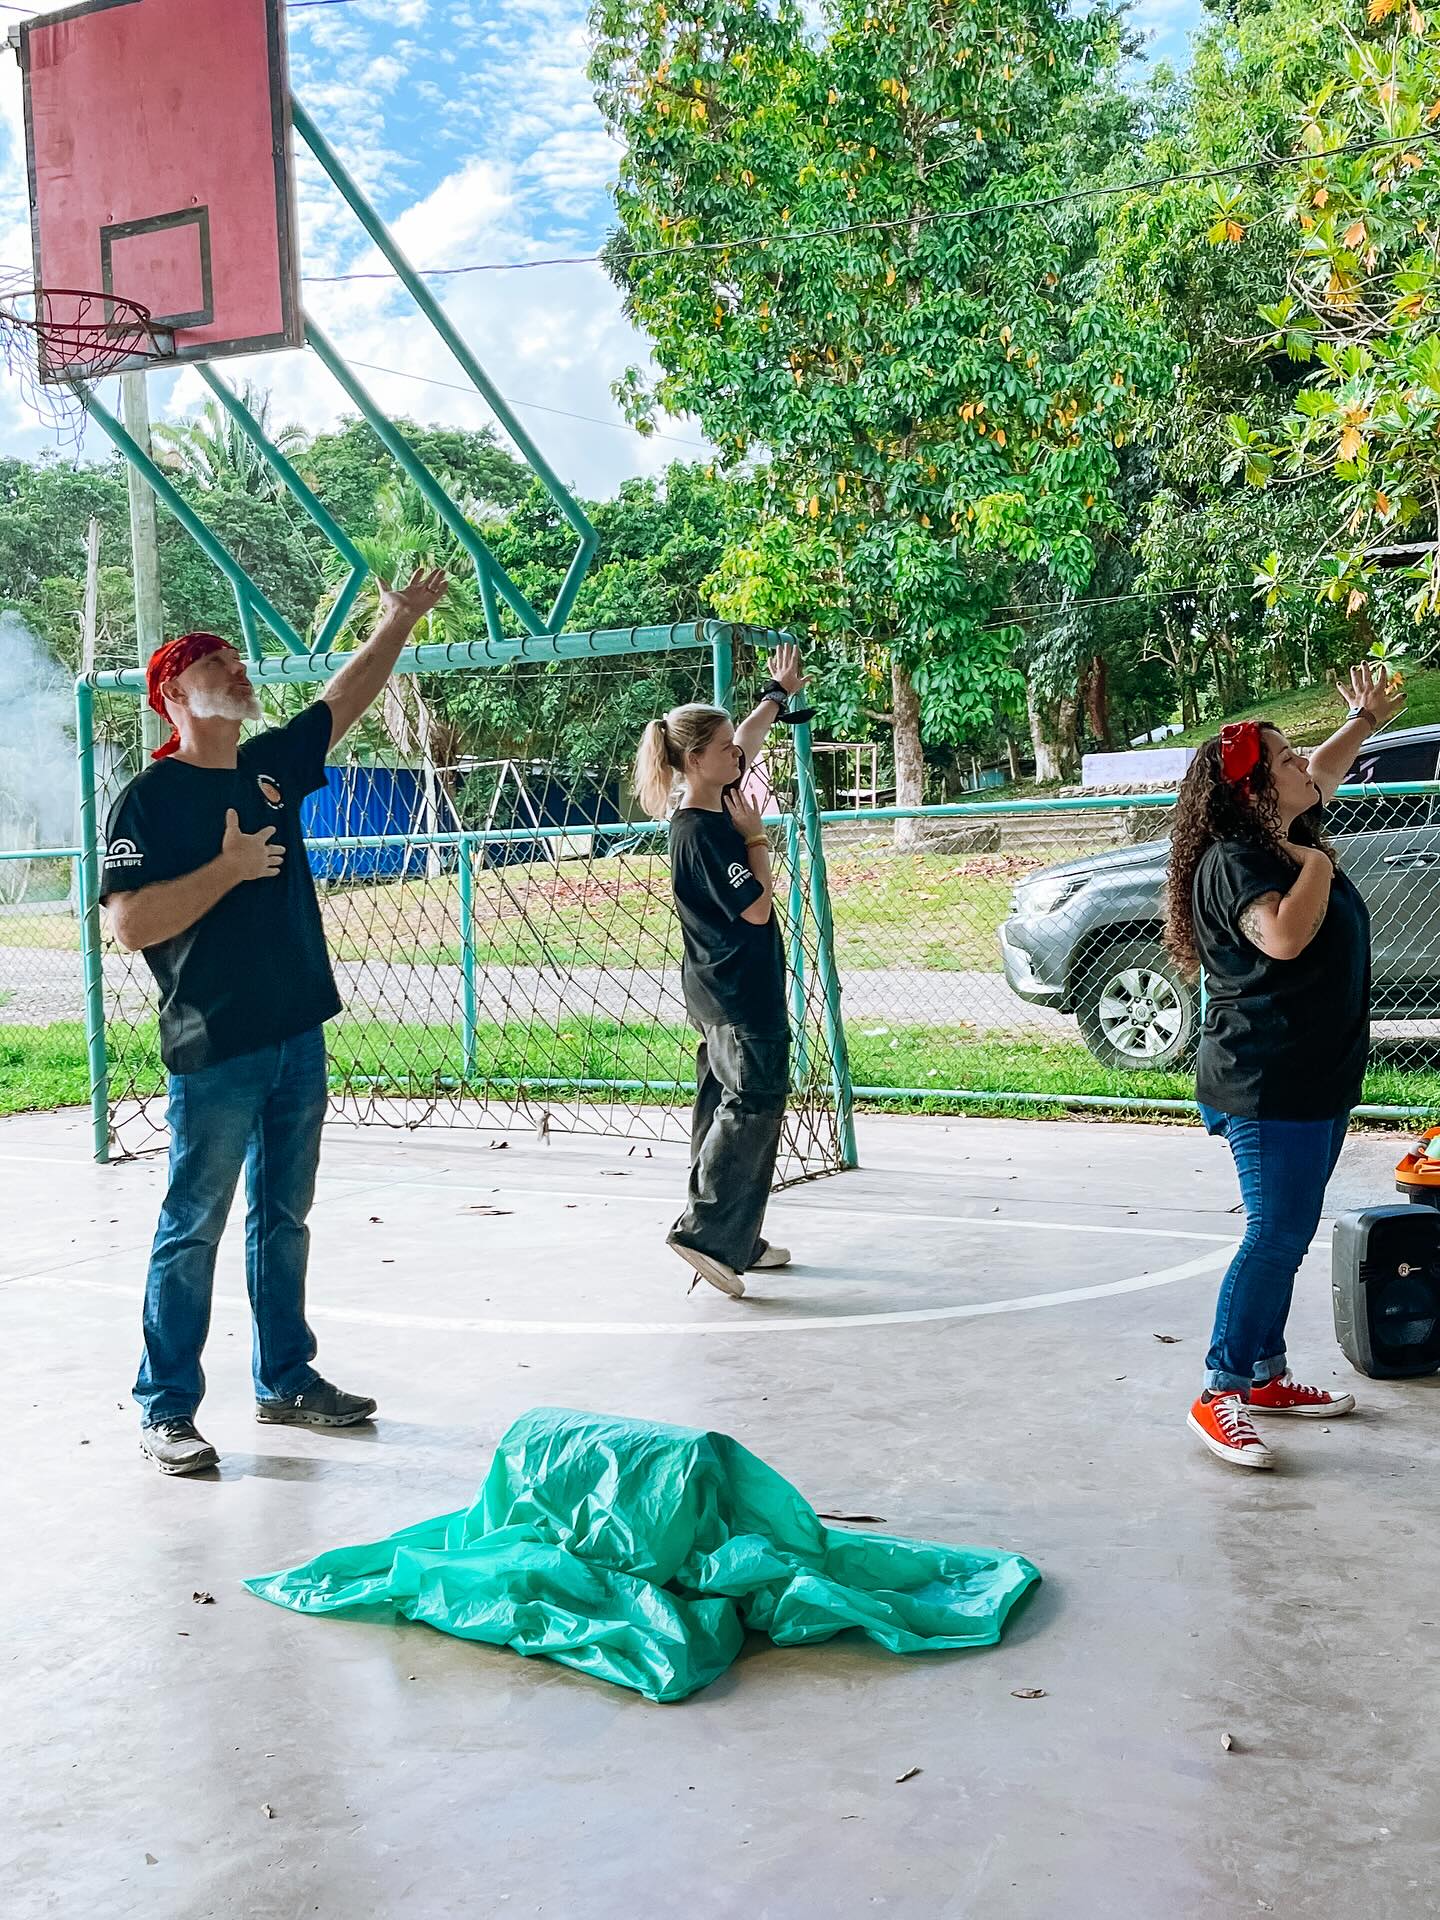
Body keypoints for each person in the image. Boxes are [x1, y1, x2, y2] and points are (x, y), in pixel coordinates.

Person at [101, 569, 449, 1475]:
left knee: (282, 1217)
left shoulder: (267, 770)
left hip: (298, 1032)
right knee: (193, 1226)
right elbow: (128, 925)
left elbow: (345, 697)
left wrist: (398, 620)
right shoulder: (148, 800)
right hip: (215, 1047)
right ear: (175, 692)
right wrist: (228, 869)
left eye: (240, 660)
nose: (242, 671)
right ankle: (166, 1408)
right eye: (222, 663)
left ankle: (286, 1380)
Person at [1165, 660, 1406, 1470]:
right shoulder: (1244, 860)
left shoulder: (1281, 832)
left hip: (1314, 1076)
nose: (1306, 763)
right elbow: (1282, 939)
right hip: (1265, 1081)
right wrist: (1319, 867)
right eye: (1285, 758)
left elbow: (1322, 773)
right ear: (1252, 791)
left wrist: (1365, 722)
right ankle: (1221, 1388)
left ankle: (1265, 1375)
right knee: (1273, 1236)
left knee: (1290, 1232)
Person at [633, 644, 809, 1298]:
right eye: (725, 745)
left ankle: (736, 1233)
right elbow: (759, 911)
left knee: (722, 1105)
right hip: (737, 994)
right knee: (751, 1103)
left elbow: (750, 736)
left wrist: (776, 692)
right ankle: (704, 1232)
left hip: (721, 991)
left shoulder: (717, 797)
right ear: (693, 759)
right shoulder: (704, 831)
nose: (739, 750)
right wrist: (759, 840)